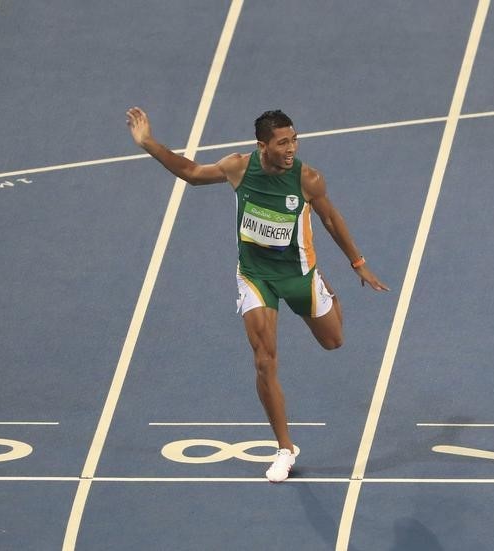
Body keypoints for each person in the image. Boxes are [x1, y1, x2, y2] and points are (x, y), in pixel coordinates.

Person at [126, 107, 389, 482]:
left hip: (299, 276)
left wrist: (358, 262)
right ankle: (284, 448)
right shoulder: (238, 168)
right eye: (283, 142)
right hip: (255, 276)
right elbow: (191, 173)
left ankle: (326, 291)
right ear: (262, 145)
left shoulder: (308, 179)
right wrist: (148, 142)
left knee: (334, 342)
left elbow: (330, 218)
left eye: (294, 140)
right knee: (265, 360)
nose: (291, 148)